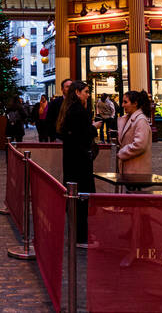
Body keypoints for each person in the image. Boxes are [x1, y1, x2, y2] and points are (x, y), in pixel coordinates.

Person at [55, 80, 96, 245]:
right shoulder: (78, 110)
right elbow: (84, 134)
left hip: (72, 160)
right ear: (78, 93)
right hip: (80, 161)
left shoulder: (69, 108)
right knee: (82, 198)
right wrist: (94, 127)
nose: (88, 94)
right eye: (86, 91)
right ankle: (82, 237)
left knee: (76, 198)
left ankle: (77, 234)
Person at [117, 90, 152, 174]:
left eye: (125, 102)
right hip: (130, 168)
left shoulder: (141, 120)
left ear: (135, 103)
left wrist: (122, 152)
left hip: (136, 170)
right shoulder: (129, 118)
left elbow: (140, 145)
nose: (122, 105)